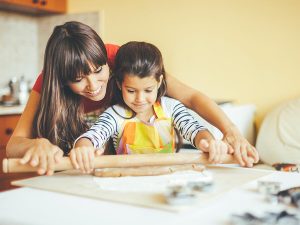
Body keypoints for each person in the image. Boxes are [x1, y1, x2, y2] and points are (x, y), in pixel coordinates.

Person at [6, 21, 258, 176]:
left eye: (98, 71)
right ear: (61, 80)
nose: (94, 86)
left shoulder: (121, 60)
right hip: (85, 170)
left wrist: (228, 132)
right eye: (79, 79)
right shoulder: (48, 83)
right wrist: (34, 144)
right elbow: (14, 143)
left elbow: (190, 98)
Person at [71, 41, 228, 173]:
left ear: (159, 82)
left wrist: (208, 142)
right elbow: (94, 136)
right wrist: (83, 148)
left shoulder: (172, 108)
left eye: (148, 90)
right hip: (126, 181)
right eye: (131, 91)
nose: (140, 99)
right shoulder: (114, 114)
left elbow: (195, 130)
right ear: (119, 84)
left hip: (167, 178)